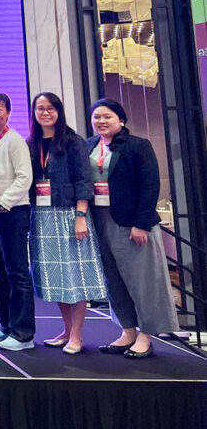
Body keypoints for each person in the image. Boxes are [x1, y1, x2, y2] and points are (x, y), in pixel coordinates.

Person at [87, 98, 177, 359]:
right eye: (97, 117)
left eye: (107, 116)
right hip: (100, 220)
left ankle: (146, 335)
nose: (101, 121)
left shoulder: (138, 146)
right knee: (114, 280)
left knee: (143, 282)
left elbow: (150, 186)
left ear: (121, 120)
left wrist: (141, 223)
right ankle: (127, 331)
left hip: (131, 223)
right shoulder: (88, 145)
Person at [27, 92, 107, 355]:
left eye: (50, 108)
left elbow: (84, 180)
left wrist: (81, 216)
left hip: (70, 214)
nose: (45, 113)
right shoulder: (31, 143)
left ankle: (77, 334)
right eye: (40, 108)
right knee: (55, 277)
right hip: (42, 216)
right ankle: (66, 329)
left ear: (59, 111)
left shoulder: (73, 141)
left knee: (76, 275)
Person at [0, 92, 35, 351]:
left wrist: (5, 201)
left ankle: (24, 334)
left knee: (17, 272)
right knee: (0, 270)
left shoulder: (15, 140)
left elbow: (25, 177)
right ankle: (6, 326)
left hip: (13, 211)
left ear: (8, 112)